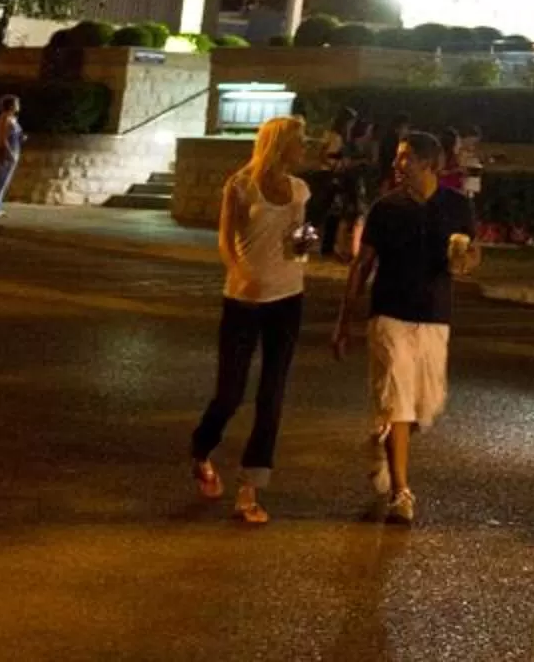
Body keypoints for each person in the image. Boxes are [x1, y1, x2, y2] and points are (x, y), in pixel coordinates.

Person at [334, 130, 474, 524]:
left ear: (429, 164)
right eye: (398, 157)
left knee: (424, 408)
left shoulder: (457, 207)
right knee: (397, 400)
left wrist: (466, 260)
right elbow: (362, 265)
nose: (398, 164)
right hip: (389, 314)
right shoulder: (385, 208)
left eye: (406, 157)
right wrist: (343, 321)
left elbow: (472, 254)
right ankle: (401, 492)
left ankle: (384, 441)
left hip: (434, 317)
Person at [189, 116, 313, 525]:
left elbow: (297, 240)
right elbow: (226, 241)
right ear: (280, 144)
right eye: (300, 141)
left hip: (288, 298)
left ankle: (250, 487)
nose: (305, 148)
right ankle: (202, 449)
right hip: (244, 301)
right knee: (230, 393)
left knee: (271, 396)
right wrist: (240, 272)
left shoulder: (299, 190)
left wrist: (305, 243)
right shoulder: (240, 185)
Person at [0, 94, 25, 220]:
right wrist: (9, 153)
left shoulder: (13, 118)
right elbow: (2, 139)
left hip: (14, 152)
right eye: (16, 103)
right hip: (5, 154)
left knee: (3, 182)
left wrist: (21, 138)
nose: (19, 105)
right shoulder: (4, 118)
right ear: (11, 105)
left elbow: (13, 135)